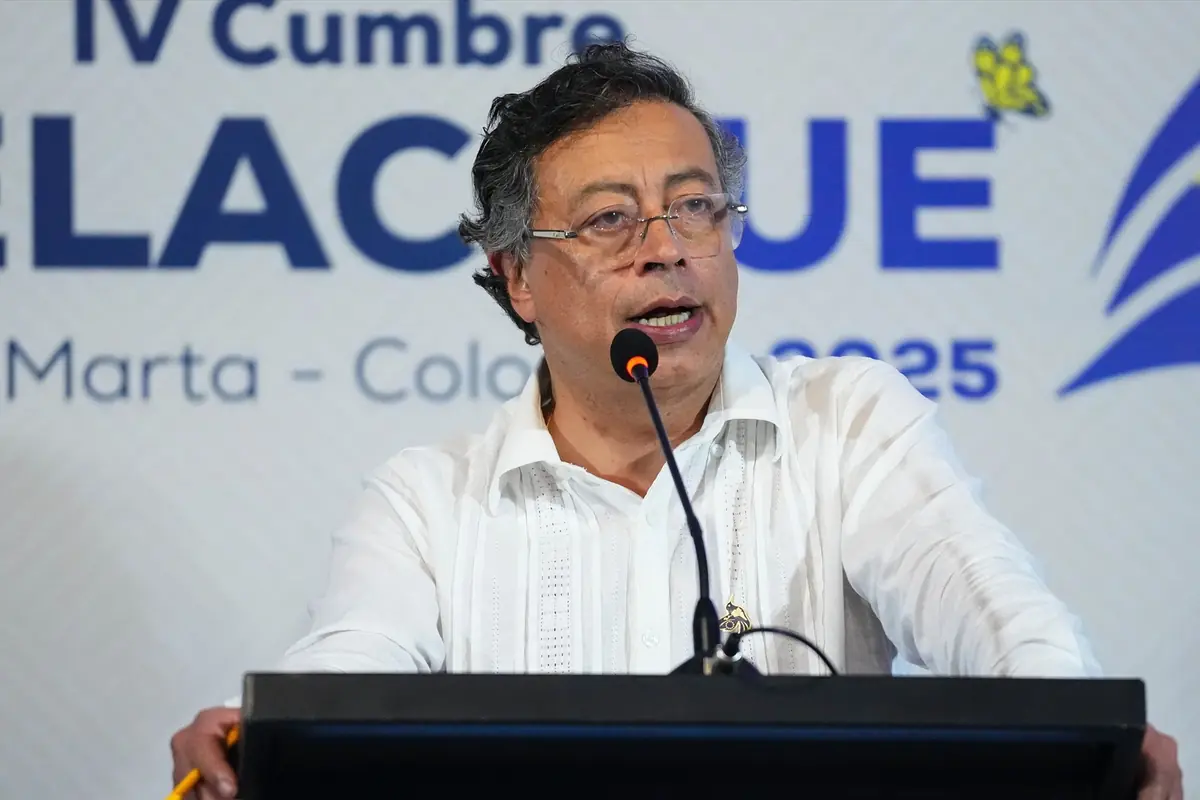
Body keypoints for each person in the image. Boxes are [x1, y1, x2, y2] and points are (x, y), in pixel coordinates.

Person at [169, 41, 1182, 799]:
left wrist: (1084, 735)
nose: (669, 250)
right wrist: (254, 742)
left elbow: (1004, 619)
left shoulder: (848, 422)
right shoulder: (430, 501)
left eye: (696, 206)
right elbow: (349, 665)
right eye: (611, 219)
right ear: (516, 276)